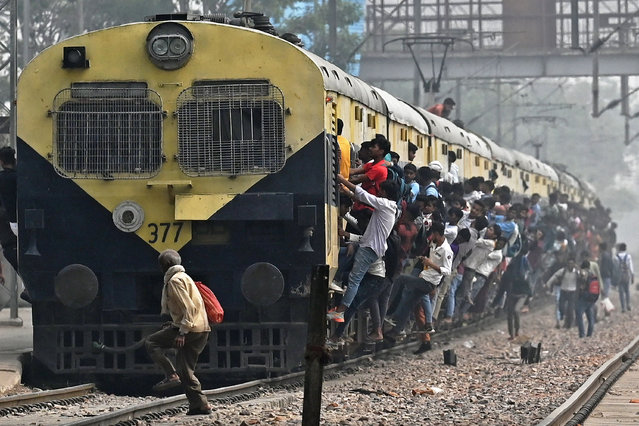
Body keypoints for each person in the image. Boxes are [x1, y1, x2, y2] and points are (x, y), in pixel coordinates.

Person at [145, 249, 212, 416]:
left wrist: (182, 332)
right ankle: (200, 405)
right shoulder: (185, 277)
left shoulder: (174, 281)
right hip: (202, 329)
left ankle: (170, 374)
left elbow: (189, 308)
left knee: (152, 342)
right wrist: (176, 323)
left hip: (191, 329)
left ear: (165, 265)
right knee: (186, 371)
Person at [328, 174, 399, 322]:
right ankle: (336, 282)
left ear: (385, 193)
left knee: (354, 280)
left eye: (381, 190)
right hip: (371, 248)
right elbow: (364, 199)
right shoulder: (391, 208)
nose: (379, 192)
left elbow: (365, 196)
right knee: (347, 257)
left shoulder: (385, 204)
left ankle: (340, 311)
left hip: (369, 248)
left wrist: (342, 180)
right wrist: (348, 192)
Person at [616, 242, 634, 312]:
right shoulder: (628, 256)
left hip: (619, 276)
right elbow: (631, 266)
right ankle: (628, 304)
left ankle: (623, 307)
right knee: (627, 291)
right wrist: (632, 275)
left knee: (621, 292)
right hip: (627, 275)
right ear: (625, 248)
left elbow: (615, 268)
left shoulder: (616, 257)